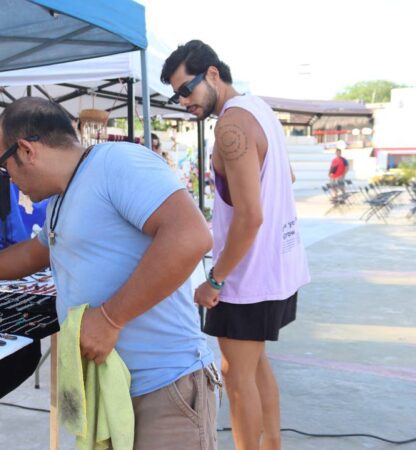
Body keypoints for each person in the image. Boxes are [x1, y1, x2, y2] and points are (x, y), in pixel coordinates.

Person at [0, 97, 219, 449]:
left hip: (163, 388)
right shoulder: (60, 200)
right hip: (113, 390)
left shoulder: (117, 163)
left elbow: (191, 235)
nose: (9, 180)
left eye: (5, 168)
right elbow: (35, 253)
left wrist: (112, 318)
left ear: (26, 150)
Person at [162, 40, 310, 450]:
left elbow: (250, 216)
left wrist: (215, 279)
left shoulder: (230, 126)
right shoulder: (258, 108)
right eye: (176, 95)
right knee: (255, 364)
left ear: (212, 74)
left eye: (186, 89)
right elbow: (287, 178)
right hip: (278, 265)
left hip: (249, 274)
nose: (183, 101)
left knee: (236, 374)